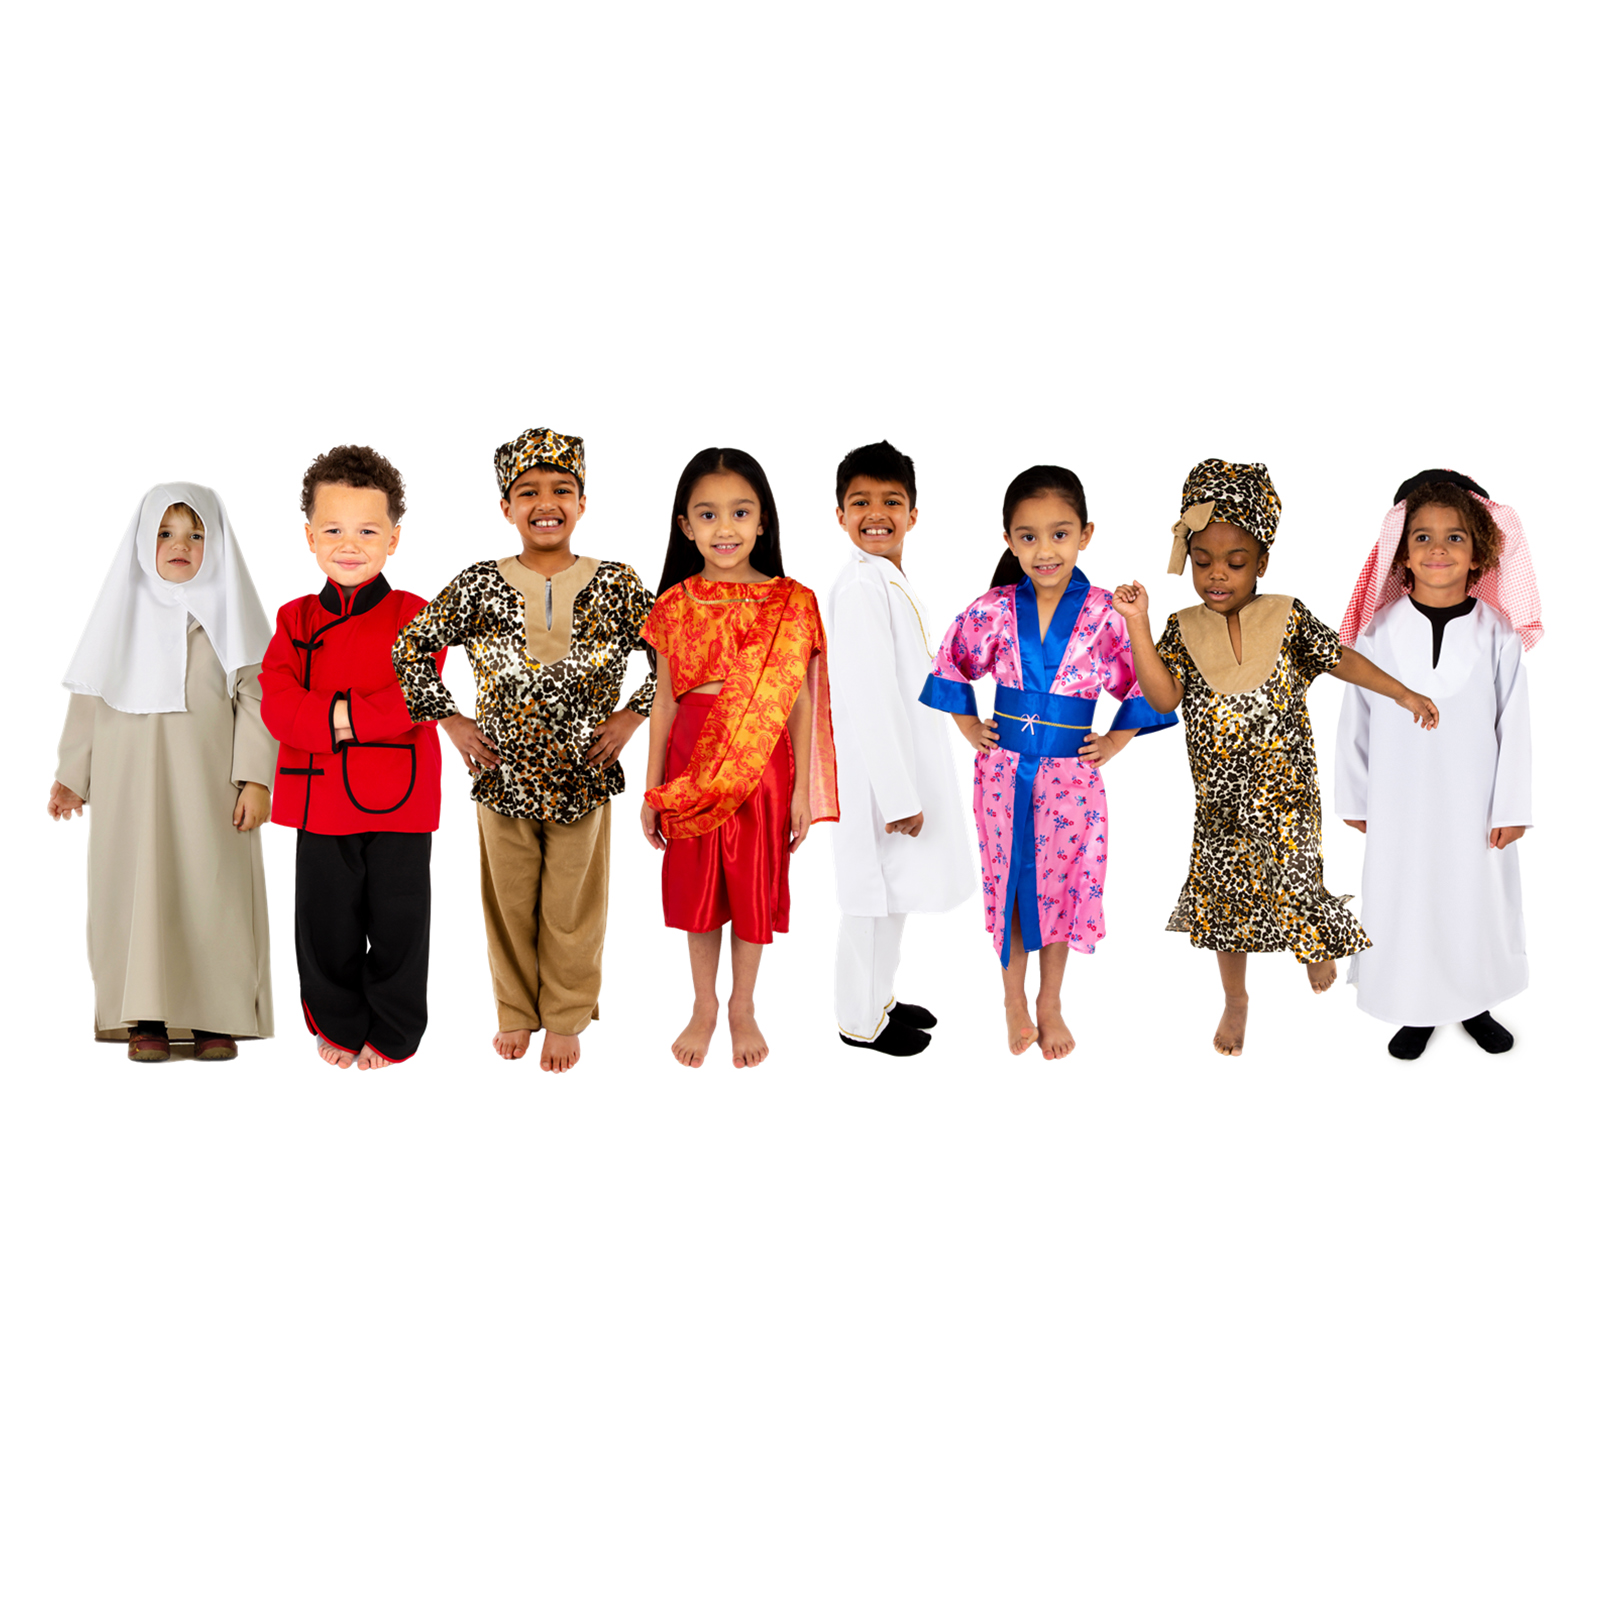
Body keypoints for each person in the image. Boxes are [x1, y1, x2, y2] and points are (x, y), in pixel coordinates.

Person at [1112, 458, 1439, 1056]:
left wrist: (1401, 692)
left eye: (1235, 562)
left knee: (1296, 875)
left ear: (1262, 561)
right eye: (1203, 561)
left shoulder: (1287, 616)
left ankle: (1313, 941)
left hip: (1287, 794)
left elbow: (1340, 659)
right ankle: (1235, 998)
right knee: (1224, 901)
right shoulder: (1181, 628)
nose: (1217, 574)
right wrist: (1138, 623)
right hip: (1220, 804)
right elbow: (1162, 697)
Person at [394, 427, 655, 1073]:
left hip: (584, 776)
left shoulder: (618, 584)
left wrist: (632, 715)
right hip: (501, 774)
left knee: (573, 906)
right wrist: (450, 720)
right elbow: (410, 646)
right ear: (506, 506)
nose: (546, 503)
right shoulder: (479, 584)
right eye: (528, 491)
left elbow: (676, 656)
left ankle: (566, 1015)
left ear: (582, 503)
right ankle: (515, 1009)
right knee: (509, 903)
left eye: (561, 489)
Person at [921, 464, 1176, 1058]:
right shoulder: (993, 607)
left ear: (1085, 534)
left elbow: (1146, 683)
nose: (1044, 550)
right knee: (1010, 881)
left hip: (1071, 780)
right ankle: (1013, 997)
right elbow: (951, 661)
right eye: (1028, 536)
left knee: (1063, 886)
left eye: (1060, 534)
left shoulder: (1108, 612)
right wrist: (969, 726)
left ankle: (1051, 1000)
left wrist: (1115, 740)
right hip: (1002, 773)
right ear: (1009, 540)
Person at [50, 483, 275, 1060]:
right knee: (135, 891)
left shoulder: (231, 618)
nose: (181, 545)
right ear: (141, 542)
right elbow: (90, 696)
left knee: (211, 889)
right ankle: (142, 1017)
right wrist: (72, 774)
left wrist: (256, 778)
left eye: (196, 535)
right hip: (129, 786)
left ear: (216, 544)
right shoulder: (119, 616)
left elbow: (259, 702)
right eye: (165, 533)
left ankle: (215, 1016)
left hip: (210, 788)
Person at [640, 447, 838, 1069]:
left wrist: (803, 790)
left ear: (762, 521)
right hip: (691, 763)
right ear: (685, 526)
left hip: (764, 765)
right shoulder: (672, 605)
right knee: (698, 890)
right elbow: (663, 703)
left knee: (752, 886)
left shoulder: (793, 602)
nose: (724, 528)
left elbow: (801, 702)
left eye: (740, 512)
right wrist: (652, 788)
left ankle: (742, 1006)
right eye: (707, 514)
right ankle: (703, 1004)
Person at [1335, 468, 1537, 1058]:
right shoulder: (1376, 632)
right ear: (1401, 552)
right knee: (1406, 898)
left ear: (1479, 553)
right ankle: (1414, 1006)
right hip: (1398, 801)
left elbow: (1515, 725)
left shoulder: (1497, 634)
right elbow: (1356, 715)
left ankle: (1474, 1003)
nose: (1438, 549)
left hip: (1476, 805)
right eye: (1422, 537)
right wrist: (1354, 795)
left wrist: (1512, 807)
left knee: (1472, 900)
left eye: (1455, 537)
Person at [260, 445, 443, 1071]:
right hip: (317, 797)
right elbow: (276, 706)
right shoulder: (294, 619)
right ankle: (336, 1020)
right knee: (324, 922)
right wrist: (359, 717)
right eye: (333, 530)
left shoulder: (416, 613)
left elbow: (417, 695)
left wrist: (328, 717)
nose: (350, 545)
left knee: (400, 922)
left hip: (399, 796)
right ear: (310, 536)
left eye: (367, 531)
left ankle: (393, 1027)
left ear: (393, 539)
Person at [827, 440, 975, 1056]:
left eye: (891, 501)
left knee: (895, 892)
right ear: (840, 514)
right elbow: (868, 696)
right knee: (871, 897)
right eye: (860, 501)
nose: (876, 514)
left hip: (901, 764)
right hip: (876, 777)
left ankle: (880, 997)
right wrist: (896, 794)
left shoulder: (886, 579)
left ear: (913, 514)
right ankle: (859, 1020)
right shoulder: (861, 586)